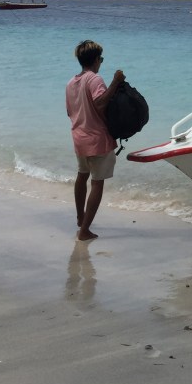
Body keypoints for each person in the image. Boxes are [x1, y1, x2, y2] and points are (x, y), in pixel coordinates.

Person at [66, 40, 125, 241]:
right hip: (97, 139)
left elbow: (70, 112)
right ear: (95, 60)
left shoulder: (71, 82)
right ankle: (84, 231)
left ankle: (80, 218)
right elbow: (100, 102)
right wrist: (116, 81)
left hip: (79, 137)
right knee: (97, 183)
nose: (101, 62)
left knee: (82, 176)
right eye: (101, 58)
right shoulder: (95, 79)